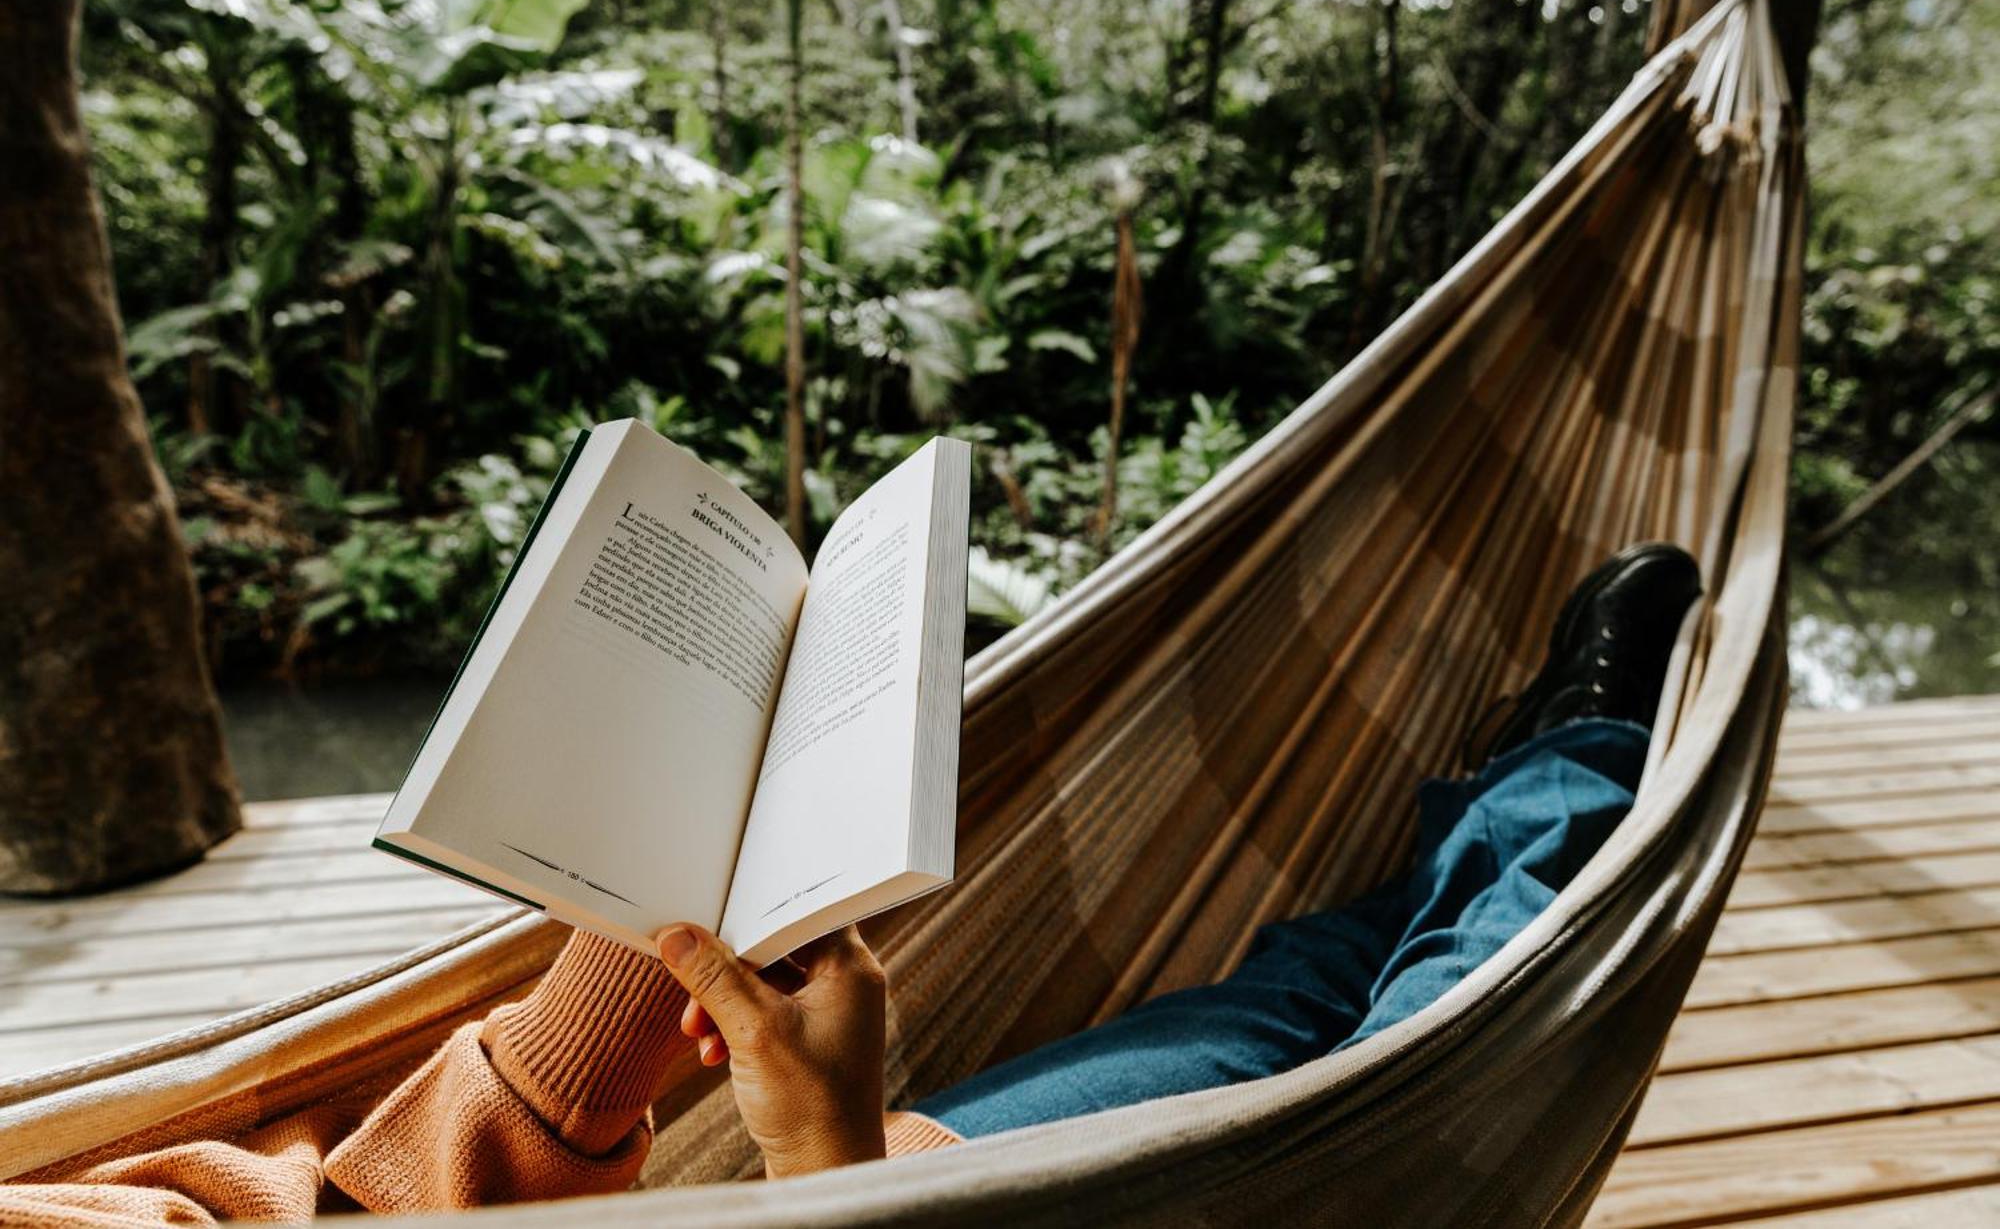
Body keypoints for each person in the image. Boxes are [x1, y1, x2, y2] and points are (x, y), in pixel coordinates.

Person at [1, 544, 1700, 1224]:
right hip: (856, 1208)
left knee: (1302, 995)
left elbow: (325, 1210)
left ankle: (1495, 810)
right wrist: (824, 1167)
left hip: (810, 1180)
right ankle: (1572, 765)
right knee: (1403, 1066)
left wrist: (629, 964)